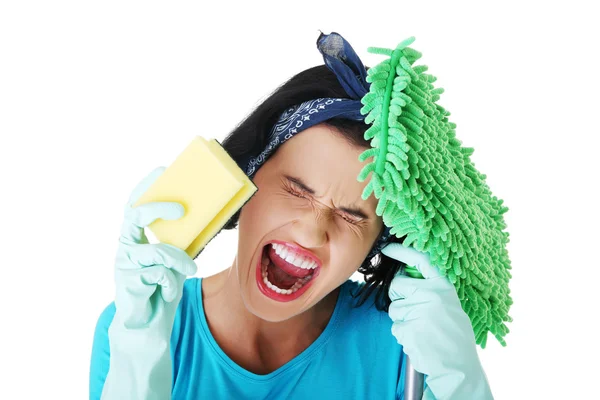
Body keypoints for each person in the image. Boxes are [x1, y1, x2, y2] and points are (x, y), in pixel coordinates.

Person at [89, 32, 493, 399]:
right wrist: (139, 358)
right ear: (247, 176)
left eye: (352, 216)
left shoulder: (407, 350)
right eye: (297, 190)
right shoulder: (138, 325)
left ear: (376, 244)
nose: (314, 231)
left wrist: (462, 382)